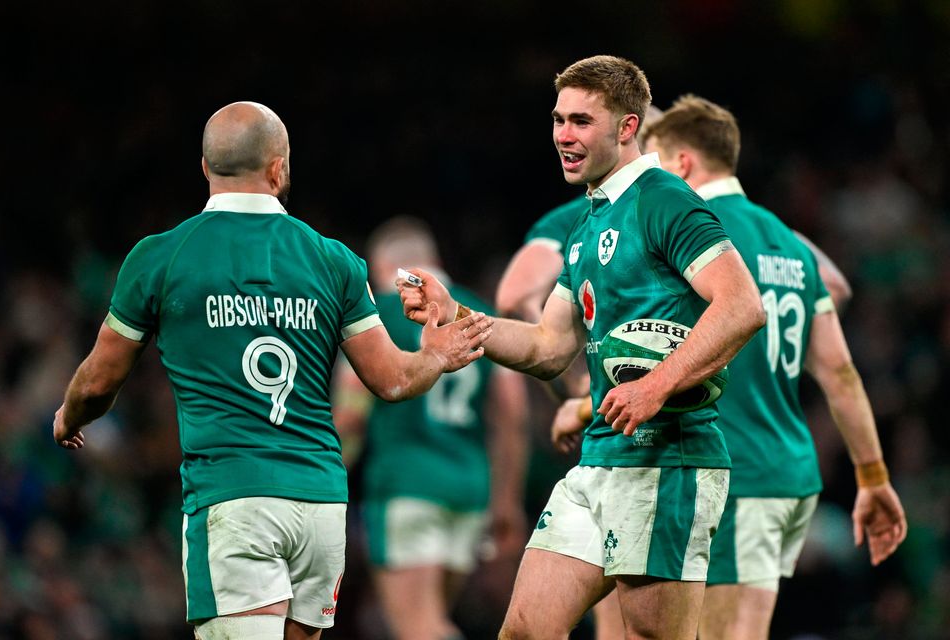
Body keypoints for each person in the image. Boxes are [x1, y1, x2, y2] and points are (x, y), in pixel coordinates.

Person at [52, 101, 493, 640]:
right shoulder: (335, 261)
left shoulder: (160, 257)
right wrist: (436, 355)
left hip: (233, 500)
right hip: (321, 508)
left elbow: (99, 382)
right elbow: (392, 379)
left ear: (206, 169)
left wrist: (69, 416)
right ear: (279, 169)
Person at [399, 56, 766, 639]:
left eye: (580, 122)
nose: (563, 136)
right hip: (599, 463)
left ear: (627, 127)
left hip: (667, 462)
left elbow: (743, 305)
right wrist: (457, 315)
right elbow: (547, 346)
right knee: (523, 631)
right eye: (558, 119)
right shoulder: (589, 223)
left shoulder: (664, 200)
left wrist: (657, 384)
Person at [556, 94, 907, 640]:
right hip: (789, 474)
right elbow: (839, 357)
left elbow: (667, 350)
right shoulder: (788, 241)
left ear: (682, 164)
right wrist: (872, 475)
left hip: (736, 470)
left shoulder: (697, 230)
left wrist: (583, 405)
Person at [332, 217, 529, 640]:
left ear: (382, 268)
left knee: (418, 629)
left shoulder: (379, 314)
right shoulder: (480, 314)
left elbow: (350, 414)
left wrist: (327, 483)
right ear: (433, 261)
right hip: (469, 489)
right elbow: (512, 415)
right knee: (434, 618)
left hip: (405, 487)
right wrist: (507, 499)